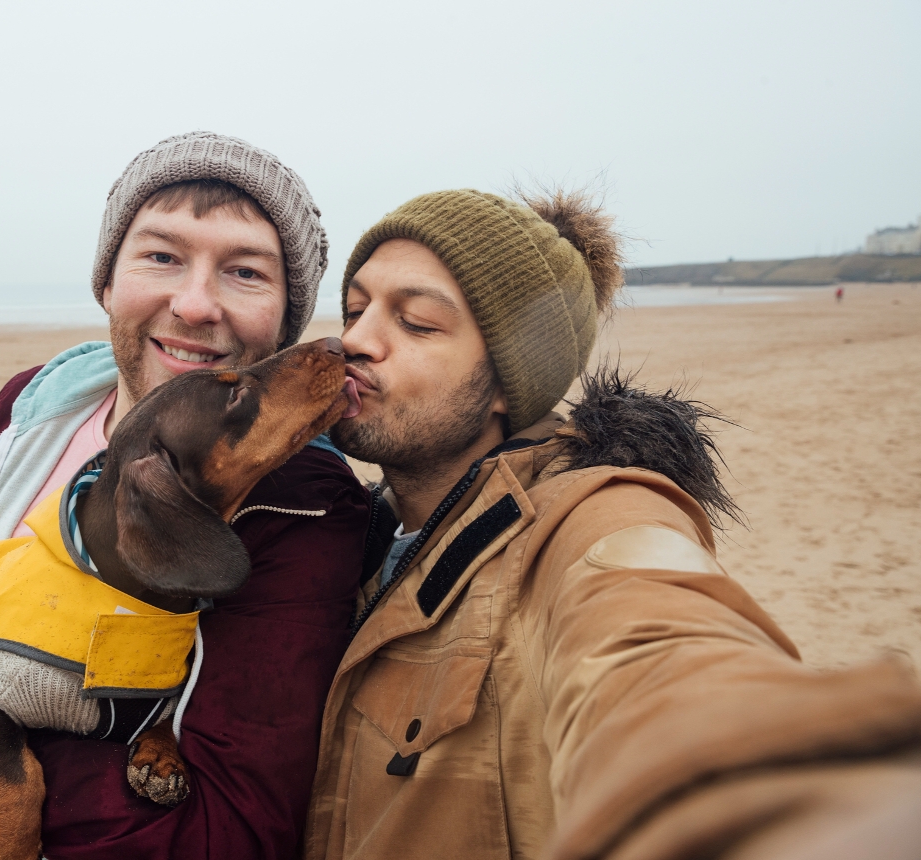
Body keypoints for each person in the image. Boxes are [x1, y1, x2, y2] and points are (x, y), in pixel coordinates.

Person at [0, 131, 370, 859]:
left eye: (246, 272)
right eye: (161, 255)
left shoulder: (306, 507)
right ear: (106, 280)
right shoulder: (35, 406)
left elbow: (223, 838)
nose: (194, 304)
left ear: (286, 315)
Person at [304, 189, 921, 859]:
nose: (354, 341)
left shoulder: (589, 522)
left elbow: (659, 654)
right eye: (357, 308)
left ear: (514, 380)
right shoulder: (343, 536)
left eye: (417, 322)